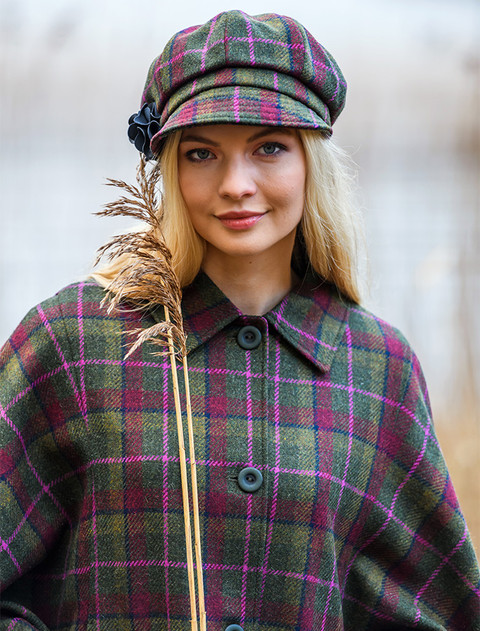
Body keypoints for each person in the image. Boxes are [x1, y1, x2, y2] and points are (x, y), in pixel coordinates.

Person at [0, 10, 479, 631]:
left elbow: (444, 612)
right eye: (202, 154)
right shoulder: (72, 343)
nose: (235, 184)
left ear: (311, 163)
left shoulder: (377, 365)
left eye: (269, 148)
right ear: (172, 168)